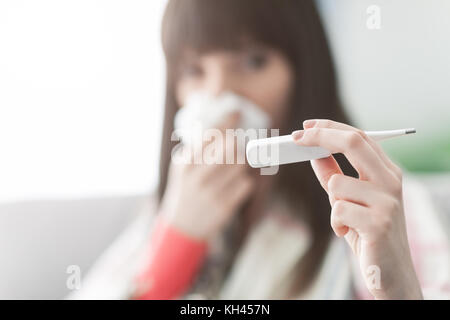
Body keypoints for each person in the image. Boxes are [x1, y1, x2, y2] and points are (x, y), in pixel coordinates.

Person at [70, 0, 449, 300]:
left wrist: (399, 291)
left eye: (252, 62)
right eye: (194, 71)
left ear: (303, 74)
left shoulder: (380, 205)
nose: (219, 95)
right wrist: (175, 245)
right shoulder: (165, 212)